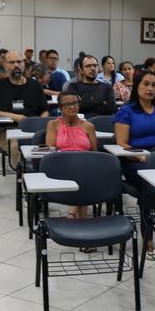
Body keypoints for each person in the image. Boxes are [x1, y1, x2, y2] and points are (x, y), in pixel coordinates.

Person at [114, 69, 155, 253]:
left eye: (154, 85)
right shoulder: (126, 111)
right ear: (137, 86)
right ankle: (148, 236)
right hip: (135, 160)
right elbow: (122, 143)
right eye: (146, 84)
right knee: (149, 185)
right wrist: (141, 157)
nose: (150, 88)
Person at [0, 50, 49, 166]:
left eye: (19, 62)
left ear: (23, 64)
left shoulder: (34, 85)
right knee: (15, 147)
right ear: (5, 65)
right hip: (8, 131)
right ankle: (23, 173)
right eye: (12, 62)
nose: (16, 65)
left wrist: (40, 124)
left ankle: (40, 171)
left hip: (33, 130)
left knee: (49, 145)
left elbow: (44, 110)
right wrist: (12, 116)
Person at [45, 90, 98, 239]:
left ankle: (75, 219)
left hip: (84, 166)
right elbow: (50, 149)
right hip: (61, 165)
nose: (72, 107)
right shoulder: (53, 124)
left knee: (83, 178)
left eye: (74, 103)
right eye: (67, 104)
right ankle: (82, 227)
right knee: (81, 180)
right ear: (60, 108)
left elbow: (94, 152)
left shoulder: (88, 126)